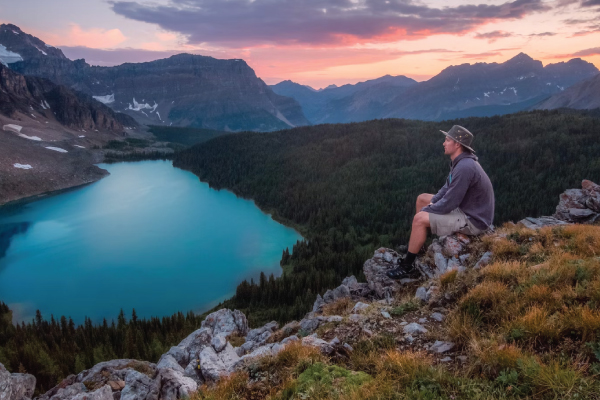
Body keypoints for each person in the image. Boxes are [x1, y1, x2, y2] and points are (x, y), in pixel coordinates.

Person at [387, 125, 495, 280]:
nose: (443, 143)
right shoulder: (460, 162)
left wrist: (429, 210)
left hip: (473, 220)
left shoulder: (465, 167)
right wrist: (430, 205)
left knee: (419, 219)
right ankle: (419, 246)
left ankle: (407, 266)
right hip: (467, 210)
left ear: (457, 144)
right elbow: (445, 190)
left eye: (447, 140)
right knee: (422, 198)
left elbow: (450, 202)